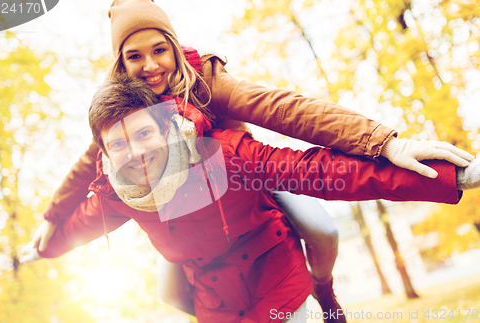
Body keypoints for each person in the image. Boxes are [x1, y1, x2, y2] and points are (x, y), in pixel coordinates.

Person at [33, 1, 474, 322]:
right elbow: (87, 166)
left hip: (244, 176)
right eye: (134, 56)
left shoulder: (206, 83)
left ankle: (324, 291)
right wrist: (52, 219)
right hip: (175, 214)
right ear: (120, 64)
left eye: (158, 50)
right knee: (167, 290)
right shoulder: (125, 113)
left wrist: (383, 143)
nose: (150, 66)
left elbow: (287, 110)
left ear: (173, 46)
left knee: (321, 227)